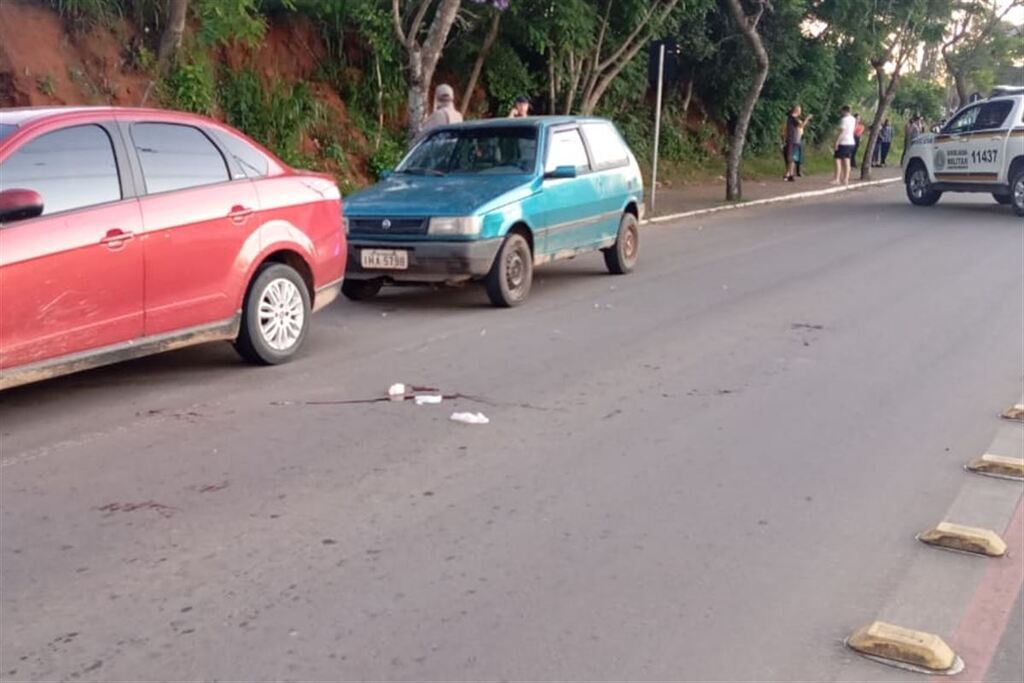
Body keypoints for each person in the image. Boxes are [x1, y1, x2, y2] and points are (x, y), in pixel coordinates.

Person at [783, 105, 812, 182]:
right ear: (796, 110)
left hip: (796, 140)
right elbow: (801, 126)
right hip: (792, 139)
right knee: (790, 157)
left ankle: (790, 174)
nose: (800, 112)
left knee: (793, 157)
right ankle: (788, 174)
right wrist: (807, 119)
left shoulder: (794, 118)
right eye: (799, 110)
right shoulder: (792, 118)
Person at [832, 105, 856, 186]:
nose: (841, 113)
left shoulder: (844, 120)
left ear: (844, 111)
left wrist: (836, 142)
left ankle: (837, 179)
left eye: (842, 111)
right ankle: (846, 179)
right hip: (851, 142)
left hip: (843, 142)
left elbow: (841, 131)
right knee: (847, 160)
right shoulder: (853, 119)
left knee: (837, 160)